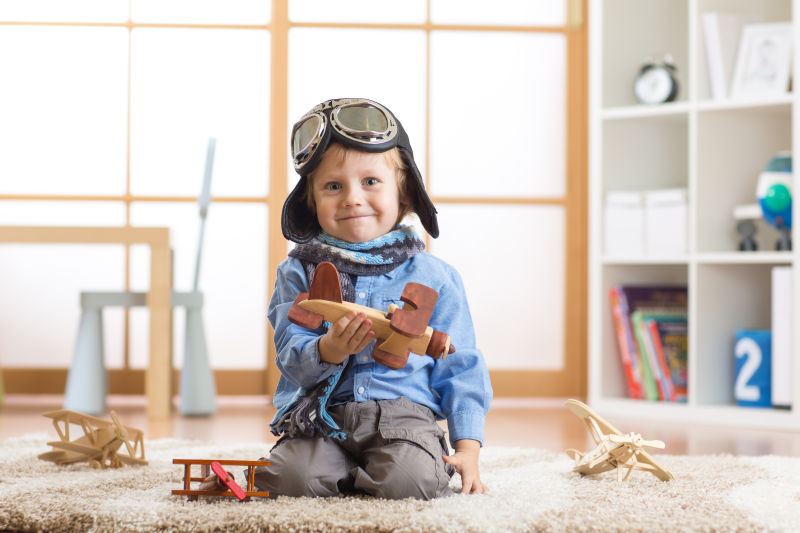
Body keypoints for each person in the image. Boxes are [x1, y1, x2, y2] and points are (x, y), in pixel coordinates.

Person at [254, 98, 493, 500]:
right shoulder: (298, 272)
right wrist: (326, 349)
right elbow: (289, 355)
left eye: (370, 182)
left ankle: (369, 475)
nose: (352, 198)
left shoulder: (437, 276)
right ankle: (341, 470)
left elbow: (461, 362)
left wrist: (467, 447)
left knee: (409, 479)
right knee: (290, 480)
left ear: (404, 193)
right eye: (333, 186)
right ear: (311, 202)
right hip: (322, 419)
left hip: (407, 420)